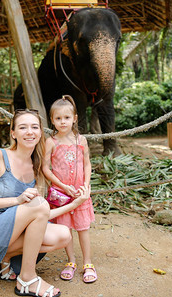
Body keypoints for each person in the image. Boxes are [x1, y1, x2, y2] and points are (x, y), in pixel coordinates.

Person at [0, 108, 90, 297]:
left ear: (40, 132)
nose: (29, 132)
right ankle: (27, 279)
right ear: (13, 133)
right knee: (39, 204)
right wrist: (17, 200)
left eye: (34, 127)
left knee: (63, 235)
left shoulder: (36, 167)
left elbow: (41, 213)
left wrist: (75, 204)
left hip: (8, 235)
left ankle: (5, 258)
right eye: (23, 127)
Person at [42, 95, 97, 283]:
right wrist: (63, 186)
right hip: (62, 195)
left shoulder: (81, 140)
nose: (62, 122)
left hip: (81, 194)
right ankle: (71, 261)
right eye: (58, 118)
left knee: (83, 228)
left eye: (66, 118)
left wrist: (86, 185)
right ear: (52, 120)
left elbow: (88, 164)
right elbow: (44, 168)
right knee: (66, 230)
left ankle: (88, 263)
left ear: (74, 118)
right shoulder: (51, 142)